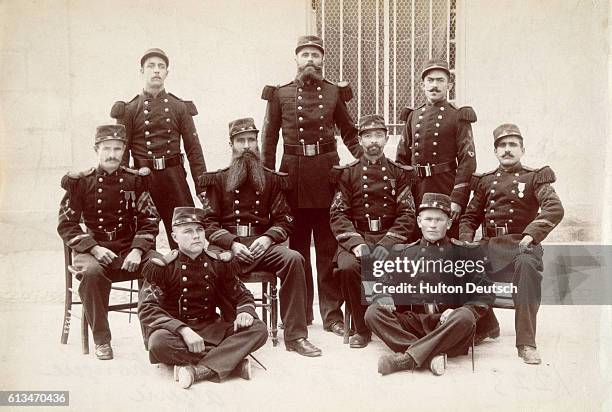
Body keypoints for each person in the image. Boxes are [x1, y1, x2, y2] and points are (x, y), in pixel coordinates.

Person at [261, 35, 362, 334]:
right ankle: (301, 314)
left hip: (328, 175)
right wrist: (268, 178)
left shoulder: (333, 93)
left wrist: (363, 163)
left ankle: (331, 316)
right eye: (304, 54)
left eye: (315, 55)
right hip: (291, 177)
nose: (309, 60)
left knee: (329, 248)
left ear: (322, 60)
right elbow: (269, 139)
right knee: (297, 248)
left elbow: (350, 133)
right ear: (296, 59)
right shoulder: (280, 94)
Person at [198, 117, 321, 357]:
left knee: (293, 258)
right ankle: (222, 329)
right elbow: (208, 222)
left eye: (251, 140)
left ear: (257, 144)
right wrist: (231, 243)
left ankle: (296, 336)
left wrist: (267, 239)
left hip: (261, 246)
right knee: (210, 264)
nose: (246, 146)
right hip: (228, 249)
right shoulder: (218, 179)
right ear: (231, 145)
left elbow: (285, 219)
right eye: (240, 141)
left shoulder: (272, 179)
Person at [459, 123, 564, 364]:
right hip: (491, 245)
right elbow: (470, 217)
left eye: (512, 145)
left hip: (522, 245)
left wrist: (531, 234)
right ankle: (487, 326)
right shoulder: (485, 181)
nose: (507, 150)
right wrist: (465, 241)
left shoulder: (535, 177)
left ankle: (526, 343)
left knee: (527, 267)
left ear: (522, 149)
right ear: (495, 151)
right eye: (502, 145)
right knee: (461, 264)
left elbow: (554, 208)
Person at [57, 124, 160, 360]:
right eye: (106, 149)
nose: (112, 154)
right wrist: (94, 247)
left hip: (127, 247)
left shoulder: (135, 180)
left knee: (158, 264)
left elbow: (150, 218)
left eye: (117, 148)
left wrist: (137, 250)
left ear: (124, 150)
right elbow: (66, 224)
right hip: (92, 248)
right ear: (97, 150)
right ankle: (102, 340)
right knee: (92, 273)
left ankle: (153, 334)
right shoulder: (81, 183)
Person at [364, 192, 494, 376]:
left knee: (465, 317)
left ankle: (406, 359)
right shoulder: (406, 253)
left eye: (439, 220)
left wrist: (461, 311)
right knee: (373, 313)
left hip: (449, 325)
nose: (432, 225)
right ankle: (430, 355)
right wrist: (383, 295)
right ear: (419, 221)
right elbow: (383, 282)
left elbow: (484, 292)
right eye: (428, 219)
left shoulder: (465, 253)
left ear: (449, 223)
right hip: (416, 323)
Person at [138, 207, 268, 389]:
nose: (196, 236)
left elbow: (242, 294)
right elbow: (147, 309)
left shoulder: (218, 263)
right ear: (175, 237)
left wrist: (245, 311)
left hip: (212, 328)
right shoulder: (163, 268)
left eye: (199, 230)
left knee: (259, 329)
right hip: (176, 333)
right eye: (188, 231)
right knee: (158, 343)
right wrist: (183, 330)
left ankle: (198, 371)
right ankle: (232, 362)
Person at [329, 114, 416, 348]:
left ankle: (397, 324)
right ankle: (362, 328)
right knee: (348, 267)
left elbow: (408, 214)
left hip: (391, 237)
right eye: (368, 136)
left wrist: (387, 244)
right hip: (359, 237)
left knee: (410, 264)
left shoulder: (399, 173)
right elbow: (338, 214)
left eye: (378, 135)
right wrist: (357, 244)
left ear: (387, 138)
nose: (373, 141)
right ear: (360, 140)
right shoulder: (348, 174)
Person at [110, 48, 207, 249]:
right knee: (143, 237)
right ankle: (149, 280)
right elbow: (122, 154)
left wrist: (202, 188)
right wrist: (123, 186)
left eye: (161, 67)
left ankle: (186, 278)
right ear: (142, 71)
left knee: (186, 231)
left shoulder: (179, 107)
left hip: (174, 179)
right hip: (144, 180)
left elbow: (194, 151)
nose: (156, 71)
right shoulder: (129, 109)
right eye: (151, 66)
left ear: (166, 73)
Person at [395, 58, 477, 238]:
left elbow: (467, 161)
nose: (434, 85)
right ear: (422, 85)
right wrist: (404, 194)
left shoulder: (458, 116)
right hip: (417, 188)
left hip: (445, 186)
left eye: (440, 80)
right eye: (430, 80)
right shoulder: (413, 115)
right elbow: (401, 158)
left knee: (447, 239)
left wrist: (458, 198)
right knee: (416, 239)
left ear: (449, 85)